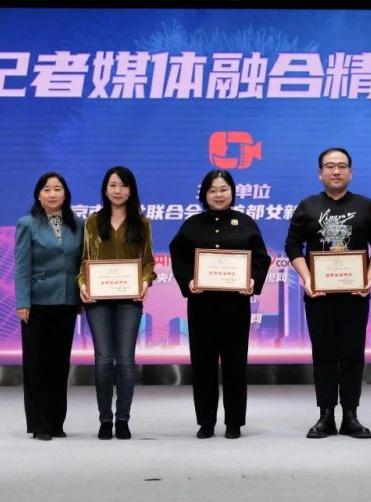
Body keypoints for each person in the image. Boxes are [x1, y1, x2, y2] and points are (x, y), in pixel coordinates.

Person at [284, 147, 371, 439]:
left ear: (351, 172)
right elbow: (292, 245)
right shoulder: (308, 206)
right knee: (324, 354)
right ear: (320, 173)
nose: (336, 171)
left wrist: (369, 277)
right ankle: (326, 415)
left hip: (356, 295)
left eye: (342, 165)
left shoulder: (365, 206)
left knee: (353, 354)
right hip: (319, 295)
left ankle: (351, 415)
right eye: (330, 166)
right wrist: (307, 278)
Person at [169, 170, 270, 439]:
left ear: (232, 192)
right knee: (203, 364)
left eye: (224, 189)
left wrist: (252, 280)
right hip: (201, 305)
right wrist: (188, 281)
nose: (218, 195)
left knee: (235, 363)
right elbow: (178, 256)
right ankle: (206, 422)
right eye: (212, 190)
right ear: (204, 194)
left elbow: (261, 259)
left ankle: (234, 422)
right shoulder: (192, 225)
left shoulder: (245, 223)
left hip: (235, 305)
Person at [78, 166, 156, 440]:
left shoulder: (142, 223)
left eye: (123, 185)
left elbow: (148, 262)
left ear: (131, 190)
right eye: (112, 185)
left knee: (125, 361)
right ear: (105, 189)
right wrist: (83, 284)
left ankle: (123, 418)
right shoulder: (92, 222)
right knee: (102, 360)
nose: (118, 190)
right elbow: (84, 260)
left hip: (129, 301)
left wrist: (144, 282)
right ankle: (104, 419)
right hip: (97, 300)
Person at [14, 172, 84, 441]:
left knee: (59, 364)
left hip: (67, 301)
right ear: (38, 195)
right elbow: (22, 266)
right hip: (37, 303)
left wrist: (81, 296)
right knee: (36, 364)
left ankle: (56, 421)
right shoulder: (27, 224)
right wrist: (22, 301)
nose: (52, 194)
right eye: (47, 189)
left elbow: (82, 263)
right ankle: (39, 423)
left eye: (57, 189)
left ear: (65, 194)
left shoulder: (78, 224)